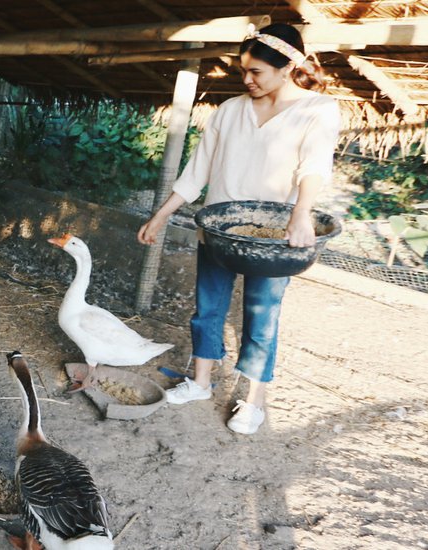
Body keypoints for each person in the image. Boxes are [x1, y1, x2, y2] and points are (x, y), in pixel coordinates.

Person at [137, 23, 341, 435]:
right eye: (243, 71)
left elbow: (313, 168)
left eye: (257, 73)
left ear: (287, 68)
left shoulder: (317, 110)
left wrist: (301, 214)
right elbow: (198, 171)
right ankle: (200, 382)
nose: (247, 80)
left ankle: (253, 402)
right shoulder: (230, 111)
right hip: (219, 229)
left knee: (261, 315)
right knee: (207, 308)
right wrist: (161, 214)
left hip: (273, 237)